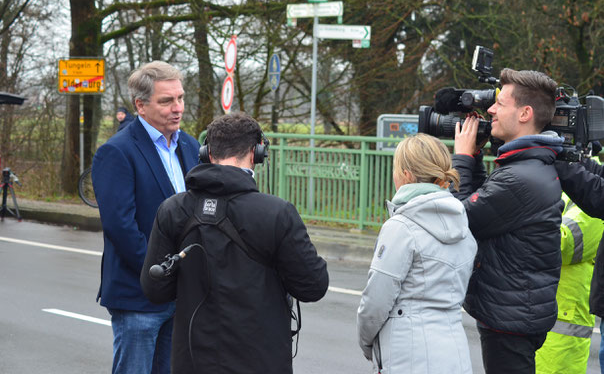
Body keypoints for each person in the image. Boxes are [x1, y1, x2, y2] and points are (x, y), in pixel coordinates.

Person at [140, 112, 329, 374]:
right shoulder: (276, 213)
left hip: (192, 362)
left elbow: (155, 290)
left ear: (206, 152)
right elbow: (313, 287)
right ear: (256, 153)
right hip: (261, 362)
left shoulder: (173, 209)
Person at [452, 68, 565, 374]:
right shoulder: (527, 165)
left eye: (500, 104)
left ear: (525, 113)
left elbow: (459, 219)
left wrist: (461, 158)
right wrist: (474, 158)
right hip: (516, 309)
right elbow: (487, 204)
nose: (490, 110)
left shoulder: (520, 177)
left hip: (510, 317)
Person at [92, 61, 200, 374]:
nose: (177, 108)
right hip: (138, 295)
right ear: (140, 105)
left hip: (182, 295)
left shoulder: (191, 146)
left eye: (180, 98)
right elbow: (120, 227)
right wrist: (162, 273)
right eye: (166, 101)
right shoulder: (117, 152)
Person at [357, 133, 477, 374]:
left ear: (407, 175)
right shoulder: (463, 225)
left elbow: (375, 303)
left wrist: (367, 344)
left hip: (408, 357)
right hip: (456, 355)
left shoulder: (401, 227)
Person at [535, 187, 604, 374]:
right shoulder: (568, 185)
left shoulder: (592, 190)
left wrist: (524, 220)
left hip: (565, 317)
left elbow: (564, 244)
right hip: (550, 308)